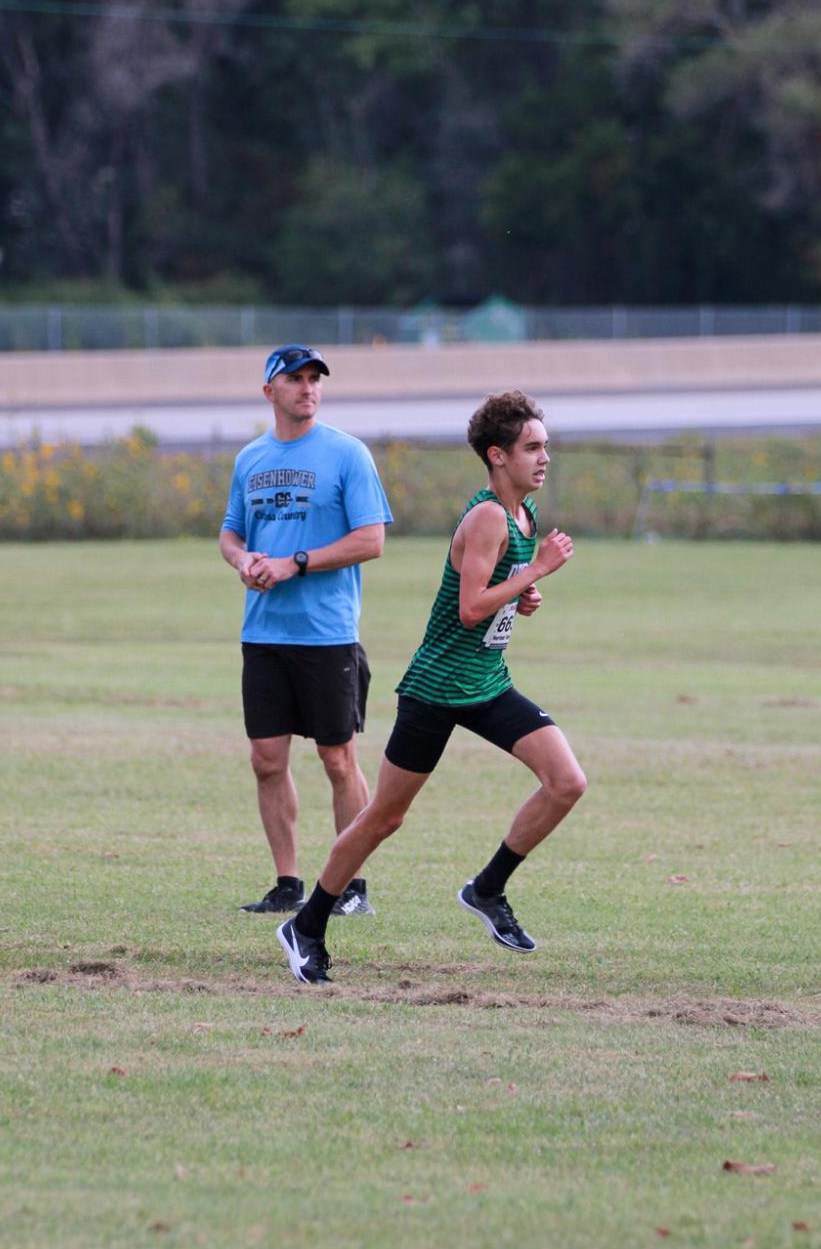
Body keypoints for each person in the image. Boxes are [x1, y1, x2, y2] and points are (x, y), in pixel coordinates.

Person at [278, 389, 586, 984]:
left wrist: (524, 595)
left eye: (547, 446)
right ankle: (307, 924)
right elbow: (470, 609)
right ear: (498, 456)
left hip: (487, 683)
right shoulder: (488, 516)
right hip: (437, 690)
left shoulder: (523, 515)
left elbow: (491, 600)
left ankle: (488, 888)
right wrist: (536, 570)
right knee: (382, 819)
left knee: (566, 781)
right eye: (532, 448)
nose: (545, 458)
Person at [221, 345, 392, 916]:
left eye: (315, 378)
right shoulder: (250, 459)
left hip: (327, 634)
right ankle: (288, 884)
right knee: (266, 760)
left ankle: (351, 888)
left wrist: (295, 561)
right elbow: (230, 535)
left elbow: (371, 540)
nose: (308, 387)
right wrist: (243, 561)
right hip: (265, 634)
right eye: (295, 378)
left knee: (337, 760)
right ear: (270, 391)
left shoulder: (347, 454)